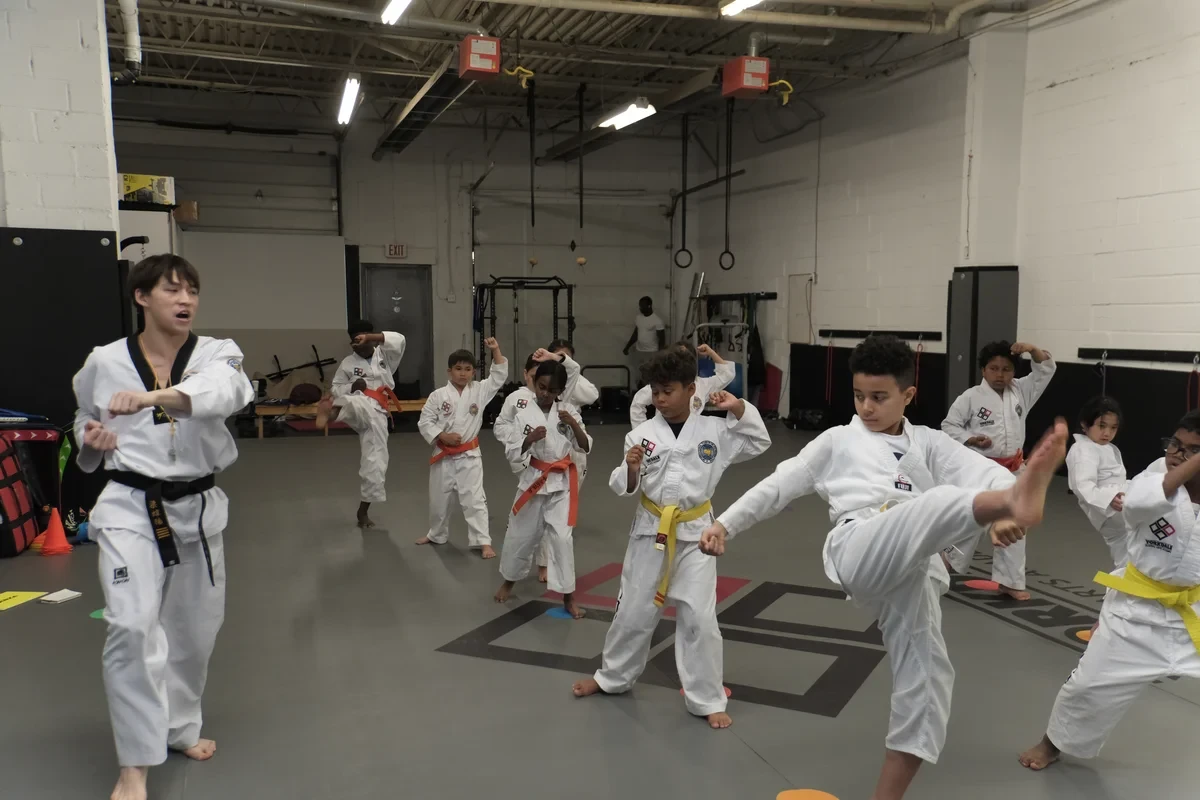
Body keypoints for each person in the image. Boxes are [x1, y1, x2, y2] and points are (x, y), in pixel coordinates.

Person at [696, 335, 1065, 800]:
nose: (867, 407)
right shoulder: (837, 440)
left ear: (908, 396)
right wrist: (726, 524)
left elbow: (984, 471)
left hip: (916, 570)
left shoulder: (929, 443)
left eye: (879, 397)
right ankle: (1013, 498)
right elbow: (779, 485)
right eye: (858, 396)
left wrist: (1005, 502)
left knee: (929, 680)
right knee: (930, 505)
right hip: (860, 543)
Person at [71, 254, 256, 800]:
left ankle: (179, 728)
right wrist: (91, 439)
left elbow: (225, 393)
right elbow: (84, 414)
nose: (186, 300)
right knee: (131, 626)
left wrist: (152, 396)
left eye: (193, 291)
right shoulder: (104, 361)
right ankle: (135, 763)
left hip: (198, 508)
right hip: (131, 506)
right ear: (141, 297)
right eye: (173, 290)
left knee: (194, 633)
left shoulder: (219, 353)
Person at [571, 348, 771, 729]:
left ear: (690, 389)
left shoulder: (714, 430)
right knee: (633, 610)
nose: (660, 399)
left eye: (668, 391)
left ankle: (707, 698)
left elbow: (758, 442)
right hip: (651, 533)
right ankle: (612, 677)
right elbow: (623, 486)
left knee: (699, 617)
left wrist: (738, 406)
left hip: (697, 535)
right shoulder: (642, 435)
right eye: (655, 392)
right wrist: (630, 469)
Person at [1019, 411, 1200, 772]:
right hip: (1137, 611)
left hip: (1193, 609)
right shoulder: (1153, 480)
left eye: (1190, 450)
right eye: (1175, 445)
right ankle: (1051, 743)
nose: (1177, 454)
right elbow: (1135, 505)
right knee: (1088, 686)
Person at [941, 340, 1057, 600]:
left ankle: (1010, 581)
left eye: (1006, 369)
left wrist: (1032, 350)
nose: (1000, 375)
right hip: (980, 470)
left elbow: (1045, 370)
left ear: (1014, 372)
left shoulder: (1021, 392)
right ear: (983, 370)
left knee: (1015, 523)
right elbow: (949, 426)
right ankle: (942, 564)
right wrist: (970, 438)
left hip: (1013, 471)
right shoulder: (970, 397)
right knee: (970, 521)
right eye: (993, 368)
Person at [494, 360, 591, 618]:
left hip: (560, 485)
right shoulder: (524, 413)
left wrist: (574, 424)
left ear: (560, 391)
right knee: (520, 534)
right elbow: (513, 451)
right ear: (535, 383)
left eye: (552, 389)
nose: (545, 393)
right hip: (533, 480)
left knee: (562, 539)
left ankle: (568, 597)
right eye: (541, 386)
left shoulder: (568, 411)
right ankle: (509, 581)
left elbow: (585, 445)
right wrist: (529, 439)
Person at [416, 340, 508, 558]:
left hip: (469, 456)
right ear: (449, 371)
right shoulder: (438, 395)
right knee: (439, 499)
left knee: (474, 499)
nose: (463, 374)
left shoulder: (479, 391)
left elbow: (498, 376)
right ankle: (436, 534)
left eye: (468, 369)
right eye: (458, 369)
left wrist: (495, 350)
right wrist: (442, 436)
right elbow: (425, 422)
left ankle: (483, 541)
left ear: (473, 372)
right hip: (443, 456)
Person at [316, 321, 406, 528]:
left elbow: (400, 340)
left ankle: (363, 510)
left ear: (370, 338)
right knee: (357, 400)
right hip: (358, 405)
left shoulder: (385, 356)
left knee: (375, 463)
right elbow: (336, 387)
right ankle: (331, 413)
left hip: (378, 414)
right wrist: (351, 386)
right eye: (355, 340)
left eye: (363, 338)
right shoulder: (348, 363)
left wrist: (373, 338)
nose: (360, 344)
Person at [534, 340, 599, 582]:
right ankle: (542, 561)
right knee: (542, 510)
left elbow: (578, 376)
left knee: (563, 512)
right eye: (556, 355)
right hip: (545, 454)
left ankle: (553, 560)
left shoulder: (568, 390)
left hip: (573, 452)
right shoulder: (542, 387)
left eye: (564, 356)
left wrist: (555, 356)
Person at [1066, 395, 1129, 567]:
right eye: (1102, 426)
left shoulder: (1109, 448)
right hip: (1107, 510)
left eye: (1113, 428)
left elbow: (1119, 479)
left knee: (1129, 555)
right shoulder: (1082, 449)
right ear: (1085, 425)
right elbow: (1082, 486)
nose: (1107, 433)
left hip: (1117, 502)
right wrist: (1109, 498)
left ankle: (1123, 590)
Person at [629, 342, 735, 427]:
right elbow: (638, 403)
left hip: (691, 435)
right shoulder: (662, 384)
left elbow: (727, 375)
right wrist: (640, 430)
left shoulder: (703, 385)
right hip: (662, 433)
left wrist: (711, 352)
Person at [622, 296, 666, 389]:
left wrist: (661, 354)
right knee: (639, 376)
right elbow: (635, 333)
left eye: (642, 306)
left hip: (651, 352)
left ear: (649, 306)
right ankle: (639, 393)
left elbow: (662, 339)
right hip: (639, 351)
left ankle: (650, 397)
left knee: (650, 376)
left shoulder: (657, 320)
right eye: (640, 306)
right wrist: (627, 347)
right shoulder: (639, 318)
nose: (640, 308)